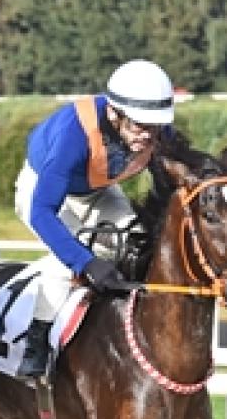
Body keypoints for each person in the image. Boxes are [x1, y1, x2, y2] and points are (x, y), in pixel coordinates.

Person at [12, 58, 175, 379]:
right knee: (70, 256)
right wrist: (86, 263)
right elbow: (42, 212)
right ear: (114, 114)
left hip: (98, 188)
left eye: (154, 127)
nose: (148, 136)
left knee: (136, 240)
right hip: (41, 192)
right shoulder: (74, 135)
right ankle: (37, 340)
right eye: (140, 126)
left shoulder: (157, 130)